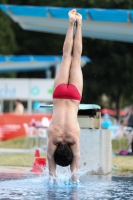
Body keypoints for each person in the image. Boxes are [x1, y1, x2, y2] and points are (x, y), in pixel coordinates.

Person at [47, 9, 83, 183]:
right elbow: (51, 163)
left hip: (74, 96)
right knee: (66, 56)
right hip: (59, 94)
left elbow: (75, 168)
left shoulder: (74, 138)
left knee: (76, 58)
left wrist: (73, 180)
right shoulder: (52, 137)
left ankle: (80, 24)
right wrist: (54, 176)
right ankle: (71, 23)